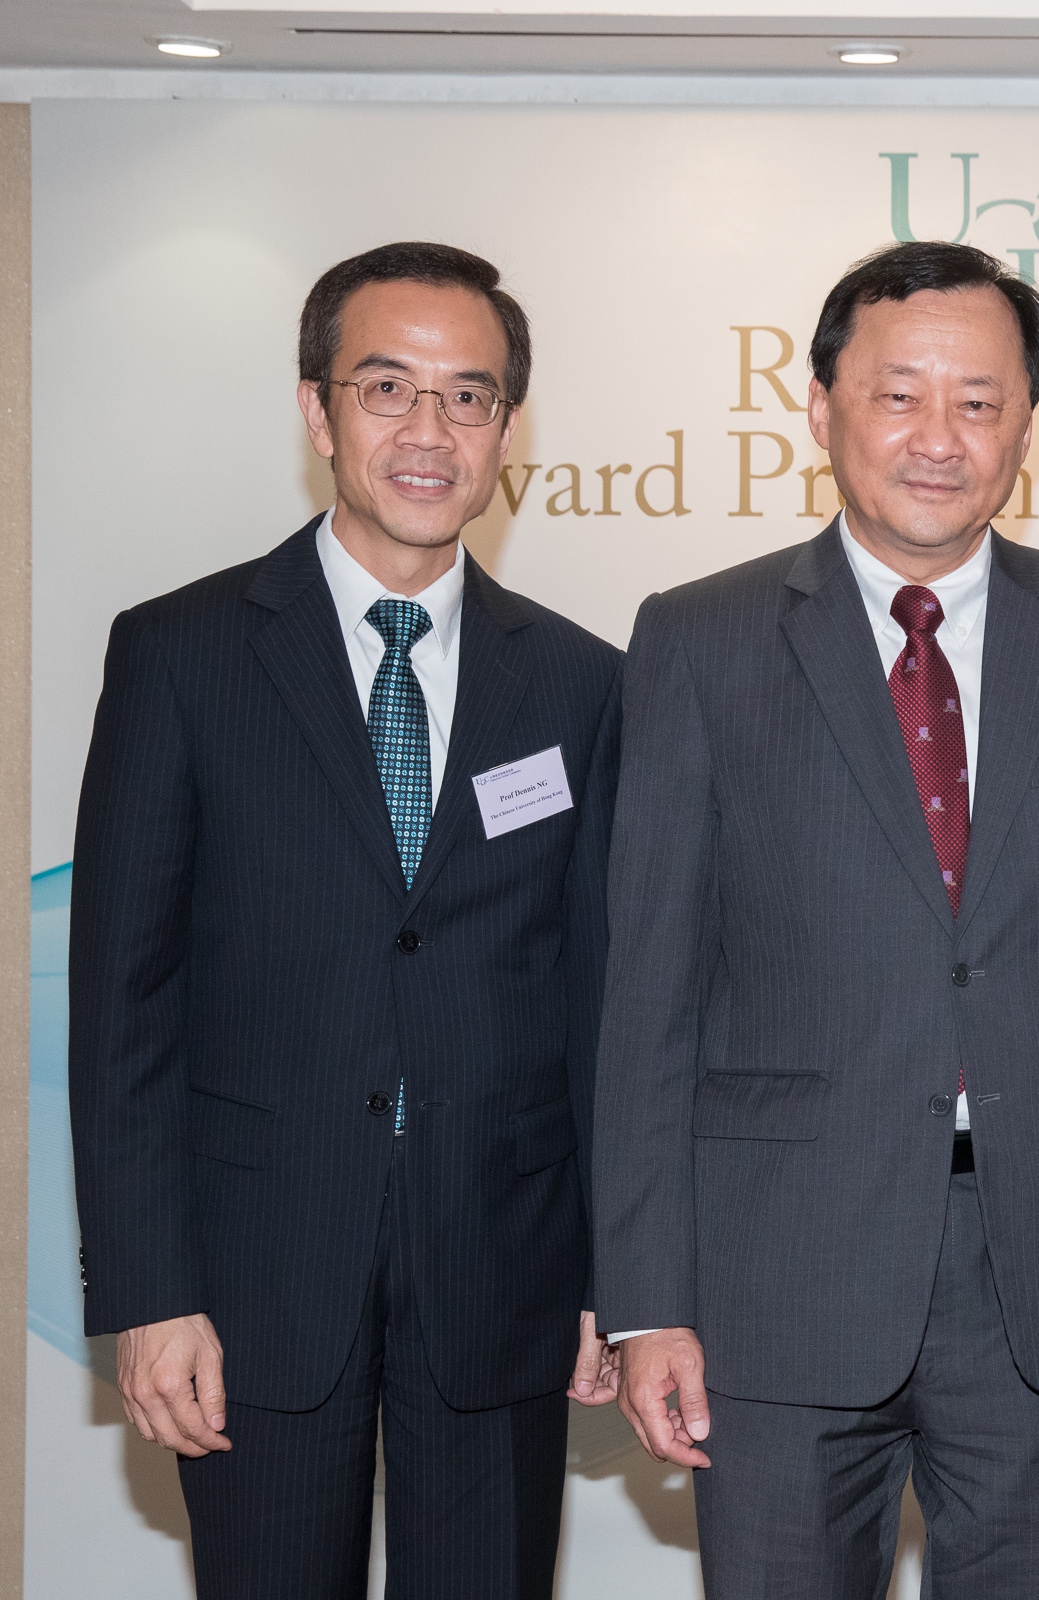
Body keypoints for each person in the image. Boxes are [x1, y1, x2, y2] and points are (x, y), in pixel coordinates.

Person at [594, 239, 1039, 1599]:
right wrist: (648, 1297)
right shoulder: (700, 642)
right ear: (820, 406)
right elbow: (648, 993)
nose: (940, 438)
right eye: (899, 395)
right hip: (775, 1276)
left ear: (1028, 426)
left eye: (981, 402)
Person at [69, 242, 624, 1598]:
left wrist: (624, 1271)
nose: (429, 432)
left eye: (471, 398)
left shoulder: (582, 680)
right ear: (318, 411)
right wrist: (148, 1291)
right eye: (389, 389)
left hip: (504, 1278)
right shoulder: (181, 654)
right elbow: (121, 1006)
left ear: (508, 429)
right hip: (254, 1284)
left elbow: (602, 1001)